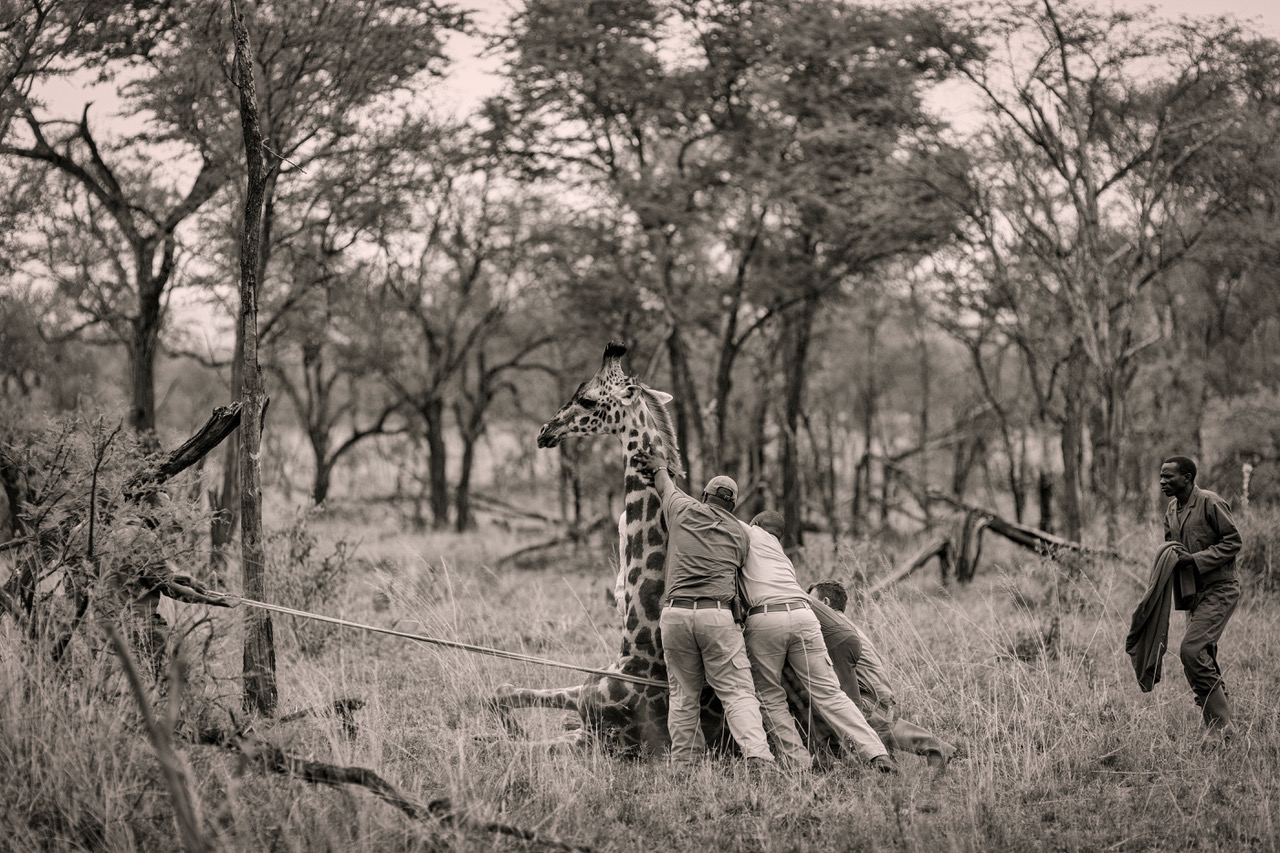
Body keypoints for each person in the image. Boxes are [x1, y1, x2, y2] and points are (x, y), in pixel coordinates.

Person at [634, 451, 775, 769]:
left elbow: (664, 485)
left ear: (704, 495)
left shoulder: (682, 508)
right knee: (737, 690)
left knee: (682, 694)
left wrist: (659, 466)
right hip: (716, 615)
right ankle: (757, 754)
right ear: (732, 507)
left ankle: (685, 763)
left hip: (675, 615)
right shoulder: (740, 533)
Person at [738, 510, 895, 773]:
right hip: (804, 617)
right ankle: (877, 752)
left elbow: (716, 514)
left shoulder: (750, 533)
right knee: (831, 694)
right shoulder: (783, 557)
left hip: (767, 617)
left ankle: (799, 764)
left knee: (769, 697)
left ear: (756, 525)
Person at [806, 580, 957, 767]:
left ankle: (936, 749)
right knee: (882, 728)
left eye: (811, 601)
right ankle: (936, 749)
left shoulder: (831, 628)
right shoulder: (848, 625)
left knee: (874, 726)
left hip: (870, 699)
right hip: (880, 697)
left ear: (826, 603)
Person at [1158, 455, 1243, 730]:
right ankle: (1219, 726)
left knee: (1191, 651)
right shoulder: (1171, 510)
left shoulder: (1210, 502)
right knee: (1202, 655)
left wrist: (1195, 560)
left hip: (1220, 589)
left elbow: (1233, 542)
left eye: (1168, 476)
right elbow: (1171, 548)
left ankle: (1222, 727)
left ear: (1187, 478)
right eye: (1161, 476)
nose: (1162, 481)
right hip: (1192, 594)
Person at [100, 515, 239, 678]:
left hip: (110, 622)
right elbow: (166, 586)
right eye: (164, 510)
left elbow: (152, 574)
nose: (168, 518)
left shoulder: (113, 534)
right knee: (171, 674)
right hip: (140, 625)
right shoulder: (144, 537)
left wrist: (189, 580)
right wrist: (214, 601)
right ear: (152, 510)